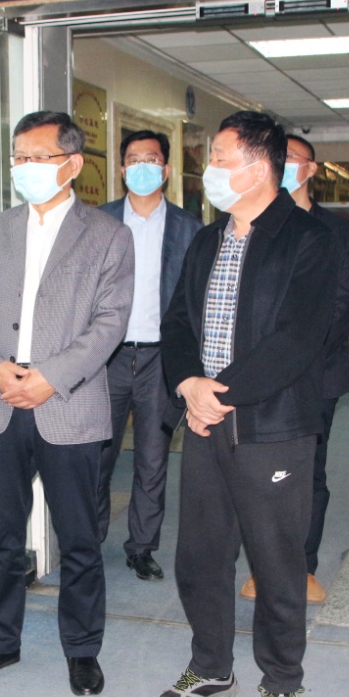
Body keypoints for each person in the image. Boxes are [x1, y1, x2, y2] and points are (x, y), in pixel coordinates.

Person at [156, 111, 336, 697]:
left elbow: (298, 339)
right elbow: (177, 322)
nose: (210, 170)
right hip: (204, 422)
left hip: (272, 426)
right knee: (200, 555)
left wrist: (218, 395)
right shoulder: (207, 240)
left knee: (277, 562)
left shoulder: (310, 240)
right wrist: (188, 384)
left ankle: (282, 680)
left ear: (259, 168)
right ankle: (211, 667)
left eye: (220, 159)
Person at [0, 110, 134, 697]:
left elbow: (110, 323)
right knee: (2, 536)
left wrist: (50, 378)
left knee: (79, 539)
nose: (25, 168)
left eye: (37, 157)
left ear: (72, 164)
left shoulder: (107, 235)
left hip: (68, 403)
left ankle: (82, 650)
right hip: (1, 400)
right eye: (19, 158)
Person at [240, 135, 349, 605]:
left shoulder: (335, 231)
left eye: (293, 159)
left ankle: (302, 567)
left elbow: (343, 302)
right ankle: (263, 566)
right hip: (256, 374)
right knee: (257, 473)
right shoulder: (252, 224)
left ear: (311, 169)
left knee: (308, 472)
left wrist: (296, 357)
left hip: (316, 373)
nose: (285, 165)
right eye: (280, 158)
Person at [96, 129, 202, 581]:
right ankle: (89, 542)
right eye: (134, 159)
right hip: (107, 357)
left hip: (162, 359)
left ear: (166, 169)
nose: (142, 167)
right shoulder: (98, 222)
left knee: (153, 458)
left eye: (151, 159)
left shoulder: (189, 228)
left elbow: (195, 299)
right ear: (122, 169)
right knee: (97, 455)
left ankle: (142, 547)